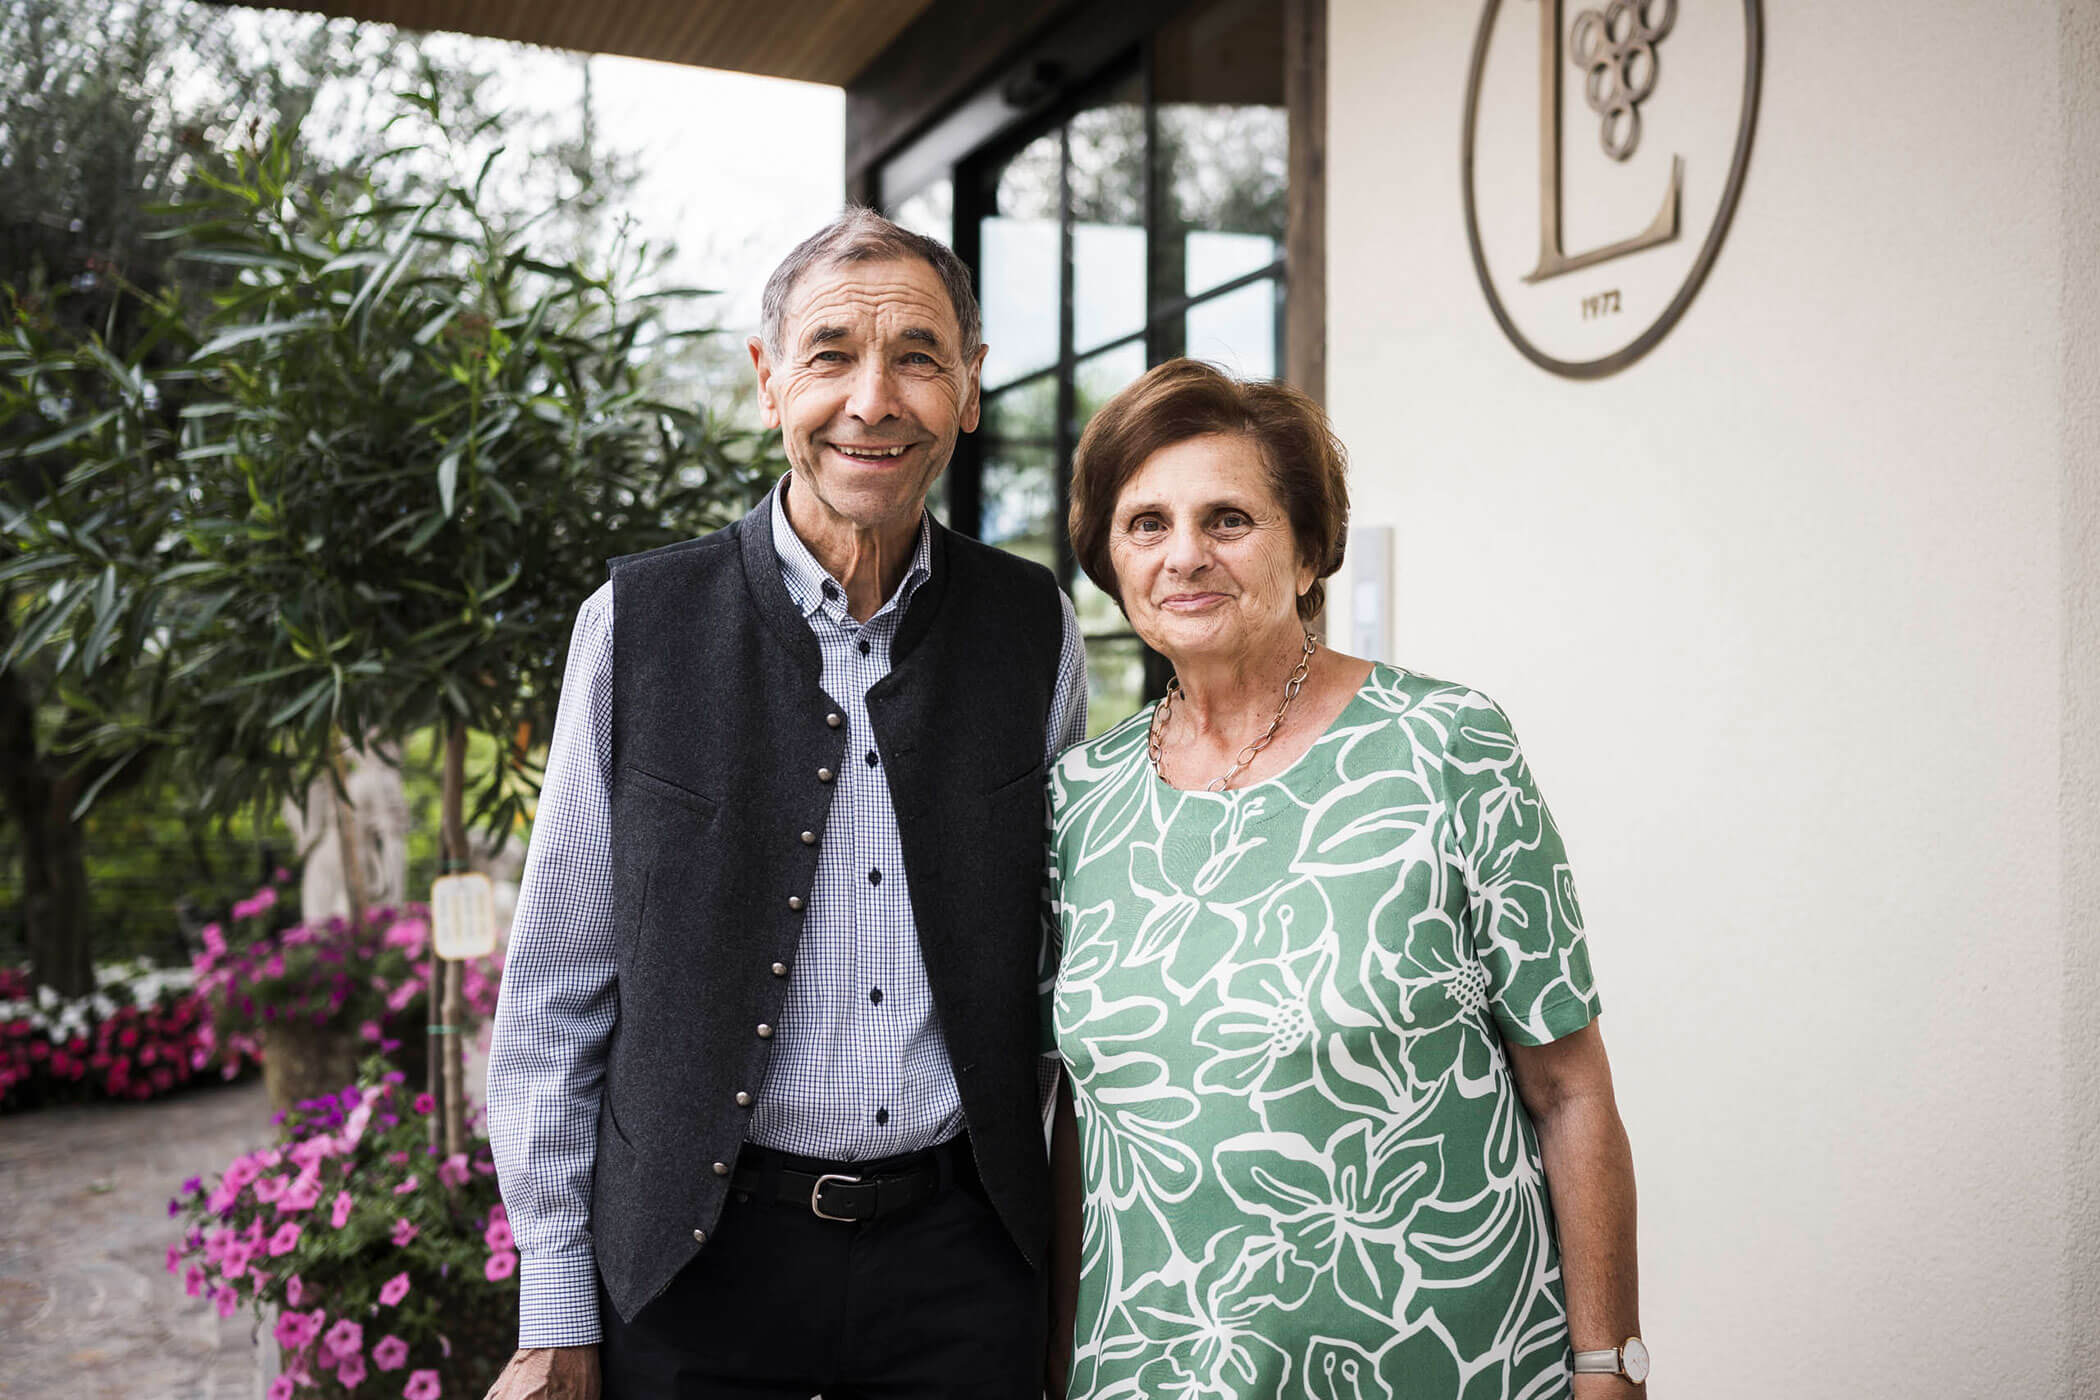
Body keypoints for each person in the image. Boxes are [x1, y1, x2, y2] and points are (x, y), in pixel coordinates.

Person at [483, 209, 1087, 1400]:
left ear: (970, 386)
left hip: (960, 1273)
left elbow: (1064, 964)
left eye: (918, 356)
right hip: (695, 1271)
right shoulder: (636, 625)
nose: (874, 399)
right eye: (831, 354)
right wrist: (554, 1306)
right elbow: (555, 986)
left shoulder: (1035, 626)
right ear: (770, 382)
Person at [1043, 360, 1647, 1399]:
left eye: (1228, 518)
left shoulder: (1448, 745)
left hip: (1439, 1361)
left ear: (1310, 549)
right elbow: (1081, 1128)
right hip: (1152, 1370)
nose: (1184, 554)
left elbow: (1569, 1088)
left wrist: (1610, 1366)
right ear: (1110, 556)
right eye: (1146, 523)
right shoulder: (1079, 801)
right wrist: (1057, 1368)